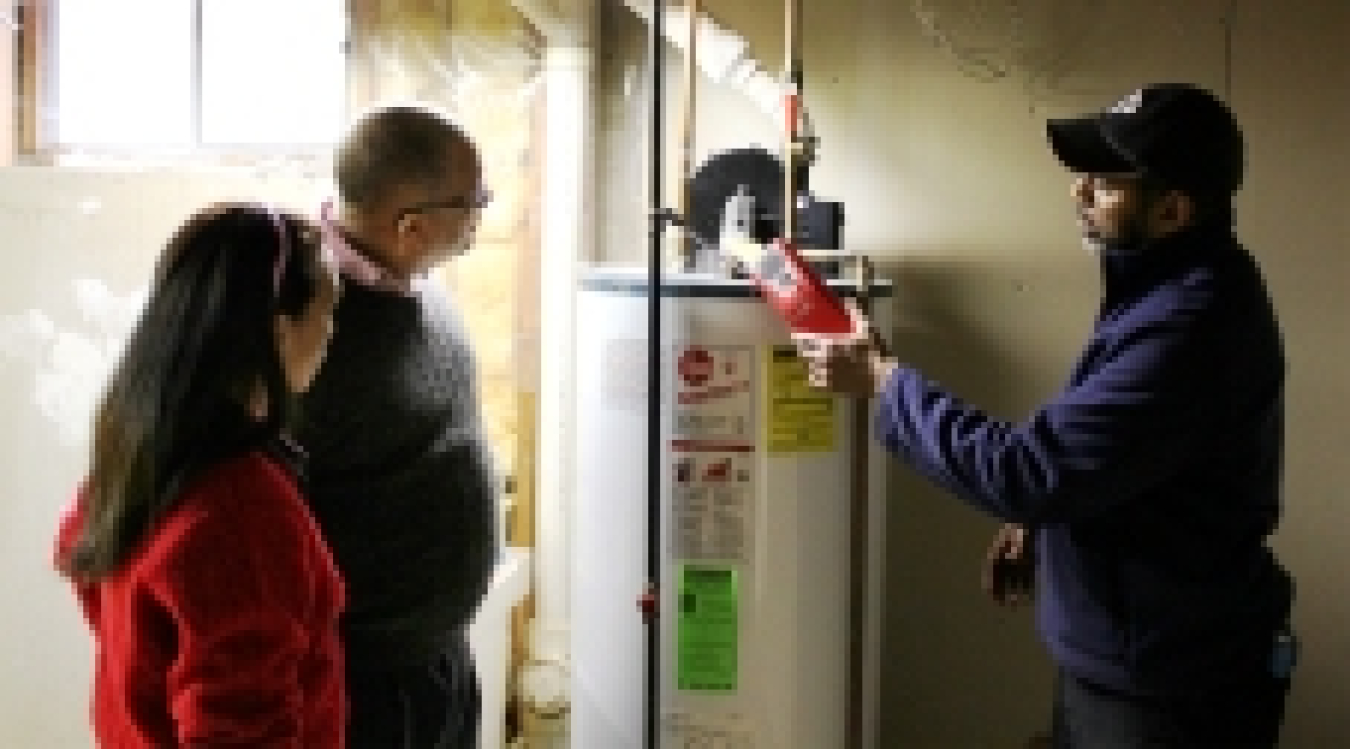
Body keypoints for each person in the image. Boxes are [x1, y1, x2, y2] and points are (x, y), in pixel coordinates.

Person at [797, 83, 1295, 748]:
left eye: (1105, 181)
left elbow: (1028, 466)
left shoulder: (1192, 320)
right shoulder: (1164, 283)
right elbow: (1117, 452)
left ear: (1173, 208)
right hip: (1139, 659)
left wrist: (887, 384)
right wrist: (1044, 522)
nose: (1078, 191)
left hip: (1167, 694)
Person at [54, 203, 345, 747]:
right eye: (329, 311)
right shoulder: (241, 510)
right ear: (279, 330)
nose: (332, 333)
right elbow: (238, 732)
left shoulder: (138, 449)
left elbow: (84, 561)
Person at [296, 104, 497, 748]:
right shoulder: (304, 326)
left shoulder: (421, 288)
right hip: (364, 681)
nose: (481, 214)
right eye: (474, 201)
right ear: (410, 227)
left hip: (440, 655)